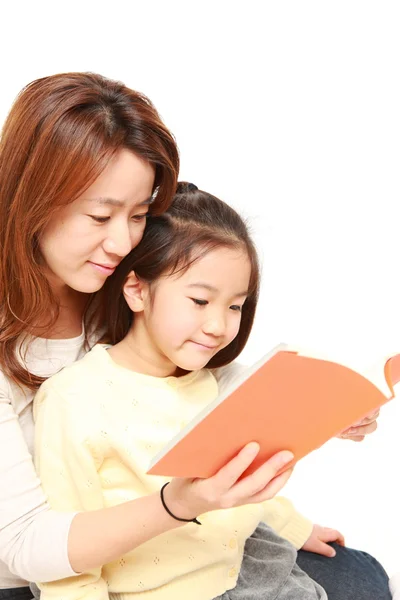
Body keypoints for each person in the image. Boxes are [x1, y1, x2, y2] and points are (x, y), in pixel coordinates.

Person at [0, 73, 389, 600]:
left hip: (185, 534)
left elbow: (187, 376)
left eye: (138, 214)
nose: (121, 242)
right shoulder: (66, 382)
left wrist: (319, 404)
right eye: (99, 215)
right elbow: (26, 546)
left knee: (357, 575)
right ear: (32, 198)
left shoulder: (115, 276)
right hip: (56, 567)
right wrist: (180, 504)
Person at [33, 184, 325, 599]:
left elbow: (236, 481)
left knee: (365, 573)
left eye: (235, 306)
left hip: (242, 567)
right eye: (200, 301)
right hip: (153, 590)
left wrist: (296, 528)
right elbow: (64, 556)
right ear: (136, 290)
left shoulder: (208, 380)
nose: (219, 326)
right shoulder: (74, 400)